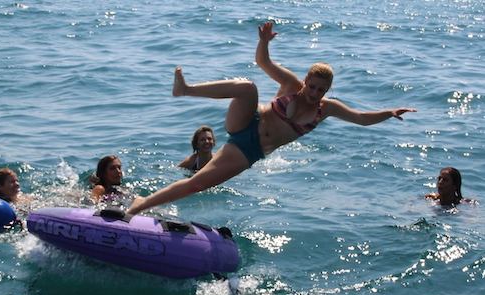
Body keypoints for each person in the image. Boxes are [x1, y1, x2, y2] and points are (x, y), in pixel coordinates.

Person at [126, 21, 416, 215]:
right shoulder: (291, 85)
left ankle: (139, 205)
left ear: (327, 90)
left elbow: (362, 118)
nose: (314, 93)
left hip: (250, 150)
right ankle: (186, 89)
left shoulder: (326, 109)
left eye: (321, 90)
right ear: (305, 80)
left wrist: (388, 113)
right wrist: (264, 41)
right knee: (247, 87)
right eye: (312, 86)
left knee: (198, 183)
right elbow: (263, 63)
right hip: (246, 122)